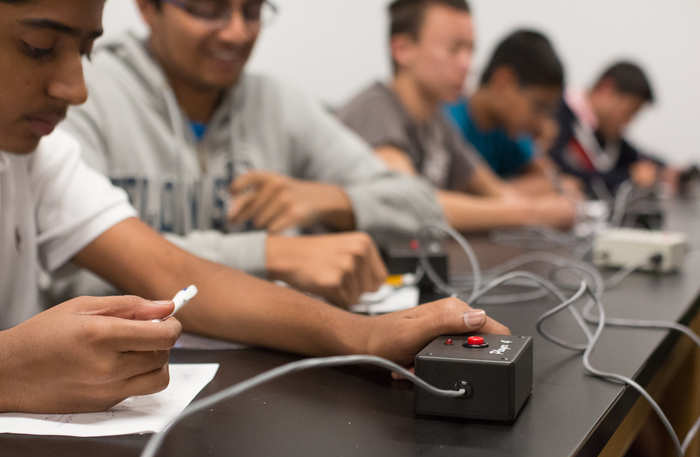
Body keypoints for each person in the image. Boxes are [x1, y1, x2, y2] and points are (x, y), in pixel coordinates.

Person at [0, 0, 508, 414]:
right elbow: (74, 287)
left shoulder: (41, 157)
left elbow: (166, 268)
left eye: (86, 52)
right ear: (148, 10)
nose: (75, 88)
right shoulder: (74, 118)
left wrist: (368, 336)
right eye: (38, 47)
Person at [57, 0, 447, 307]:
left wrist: (334, 201)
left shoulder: (277, 103)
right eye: (208, 9)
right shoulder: (79, 95)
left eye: (253, 10)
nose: (237, 32)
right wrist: (272, 254)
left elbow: (423, 207)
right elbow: (75, 276)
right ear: (147, 7)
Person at [339, 0, 577, 233]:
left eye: (470, 50)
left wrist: (550, 205)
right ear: (402, 49)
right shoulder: (375, 110)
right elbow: (407, 204)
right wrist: (533, 214)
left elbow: (497, 191)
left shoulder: (438, 121)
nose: (467, 64)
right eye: (454, 50)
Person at [445, 29, 579, 196]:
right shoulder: (447, 121)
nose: (542, 123)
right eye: (539, 107)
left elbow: (556, 184)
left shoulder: (510, 132)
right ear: (504, 82)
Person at [549, 61, 676, 196]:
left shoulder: (600, 130)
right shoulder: (556, 115)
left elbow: (634, 156)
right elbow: (562, 173)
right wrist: (630, 178)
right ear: (606, 89)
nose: (627, 122)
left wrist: (665, 170)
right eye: (628, 112)